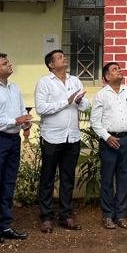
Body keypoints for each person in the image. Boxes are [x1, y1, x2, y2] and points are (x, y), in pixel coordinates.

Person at [34, 49, 90, 233]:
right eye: (59, 57)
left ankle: (66, 215)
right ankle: (46, 217)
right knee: (48, 178)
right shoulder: (44, 82)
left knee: (67, 178)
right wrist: (66, 102)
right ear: (51, 64)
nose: (64, 58)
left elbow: (86, 105)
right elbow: (41, 108)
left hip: (72, 136)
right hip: (51, 136)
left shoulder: (74, 80)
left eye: (64, 56)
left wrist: (80, 100)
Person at [0, 52, 32, 243]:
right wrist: (14, 120)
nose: (9, 65)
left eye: (8, 61)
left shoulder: (14, 88)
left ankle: (6, 225)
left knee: (9, 183)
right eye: (4, 63)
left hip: (13, 140)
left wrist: (24, 123)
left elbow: (20, 111)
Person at [91, 61, 127, 230]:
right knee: (107, 179)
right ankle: (108, 216)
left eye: (119, 69)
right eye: (115, 70)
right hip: (109, 142)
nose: (119, 71)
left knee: (123, 178)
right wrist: (106, 137)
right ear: (107, 76)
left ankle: (121, 215)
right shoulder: (101, 95)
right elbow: (95, 122)